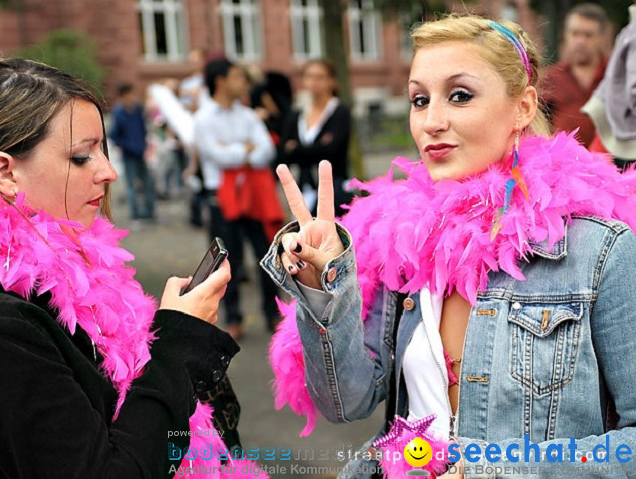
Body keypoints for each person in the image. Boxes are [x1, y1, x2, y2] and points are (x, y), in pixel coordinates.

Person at [261, 14, 636, 479]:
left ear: (522, 107)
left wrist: (498, 472)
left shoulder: (599, 252)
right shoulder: (403, 243)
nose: (432, 121)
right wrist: (324, 289)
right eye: (420, 99)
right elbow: (348, 401)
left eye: (460, 95)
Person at [0, 44, 262, 479]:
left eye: (103, 150)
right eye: (81, 157)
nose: (108, 171)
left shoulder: (71, 270)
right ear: (5, 172)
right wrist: (179, 343)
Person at [194, 58, 283, 340]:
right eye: (236, 77)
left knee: (266, 254)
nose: (243, 82)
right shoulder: (204, 118)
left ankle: (272, 312)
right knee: (226, 261)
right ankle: (233, 317)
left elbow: (266, 151)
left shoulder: (246, 115)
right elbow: (215, 156)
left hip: (253, 196)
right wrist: (245, 150)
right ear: (220, 81)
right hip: (222, 198)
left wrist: (234, 152)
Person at [281, 59, 352, 217]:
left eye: (320, 77)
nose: (314, 82)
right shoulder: (298, 114)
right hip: (304, 188)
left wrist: (297, 149)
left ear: (331, 81)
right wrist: (317, 149)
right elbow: (284, 154)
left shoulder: (339, 111)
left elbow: (332, 151)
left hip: (333, 189)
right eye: (310, 76)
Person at [542, 3, 609, 146]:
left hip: (613, 164)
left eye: (588, 35)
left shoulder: (615, 77)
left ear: (602, 37)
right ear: (566, 35)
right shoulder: (551, 78)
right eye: (575, 33)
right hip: (563, 164)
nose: (580, 41)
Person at [582, 2, 636, 170]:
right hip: (616, 140)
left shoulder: (629, 33)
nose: (581, 41)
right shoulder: (630, 33)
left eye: (588, 35)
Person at [109, 83, 156, 223]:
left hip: (140, 152)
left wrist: (144, 144)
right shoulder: (118, 113)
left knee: (148, 183)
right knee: (131, 185)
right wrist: (127, 145)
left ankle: (149, 212)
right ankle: (135, 213)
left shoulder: (137, 110)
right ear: (123, 96)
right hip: (129, 154)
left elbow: (143, 128)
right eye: (129, 94)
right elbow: (114, 135)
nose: (132, 97)